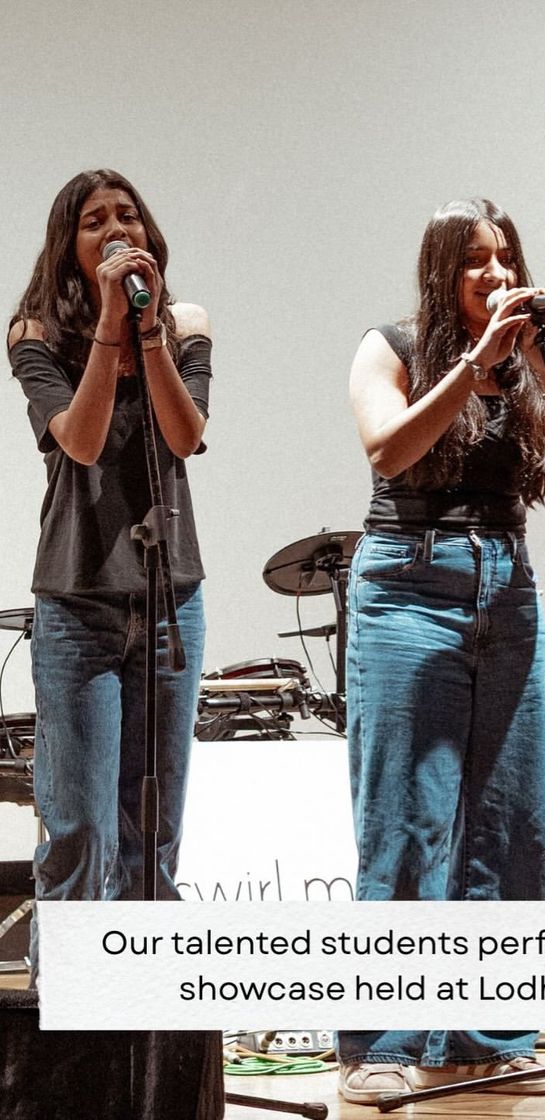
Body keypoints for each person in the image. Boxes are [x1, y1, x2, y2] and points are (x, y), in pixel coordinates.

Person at [336, 198, 545, 1104]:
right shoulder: (392, 346)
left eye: (505, 257)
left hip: (507, 587)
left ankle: (484, 1034)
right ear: (441, 273)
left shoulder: (528, 363)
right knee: (407, 821)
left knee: (511, 822)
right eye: (476, 260)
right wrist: (473, 367)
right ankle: (384, 1040)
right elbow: (388, 449)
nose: (496, 273)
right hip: (410, 588)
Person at [9, 169, 211, 980]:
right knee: (82, 830)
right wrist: (107, 327)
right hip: (78, 602)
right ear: (70, 246)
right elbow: (82, 442)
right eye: (95, 220)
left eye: (128, 215)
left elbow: (185, 436)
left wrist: (149, 333)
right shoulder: (34, 333)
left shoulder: (185, 324)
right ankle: (69, 1022)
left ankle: (144, 1017)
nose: (116, 228)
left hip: (170, 600)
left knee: (151, 831)